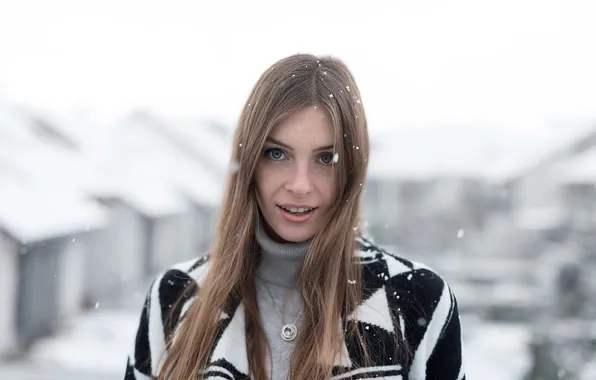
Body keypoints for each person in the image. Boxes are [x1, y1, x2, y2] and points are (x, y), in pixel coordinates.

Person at [124, 54, 465, 380]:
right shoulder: (176, 296)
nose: (300, 185)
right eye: (277, 153)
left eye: (326, 159)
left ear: (351, 169)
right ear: (249, 163)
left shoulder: (417, 299)